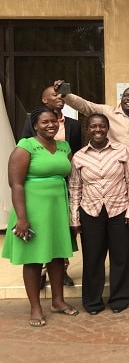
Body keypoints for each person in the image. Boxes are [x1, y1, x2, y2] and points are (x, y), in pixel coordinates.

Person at [2, 107, 78, 327]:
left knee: (57, 257)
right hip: (32, 209)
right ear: (35, 125)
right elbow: (15, 184)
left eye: (54, 121)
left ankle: (58, 301)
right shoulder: (25, 146)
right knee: (34, 259)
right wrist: (22, 219)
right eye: (45, 122)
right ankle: (35, 307)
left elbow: (71, 178)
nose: (51, 125)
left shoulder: (64, 147)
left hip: (57, 207)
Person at [69, 114, 129, 314]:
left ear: (107, 128)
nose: (97, 130)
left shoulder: (122, 151)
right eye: (93, 126)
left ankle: (119, 299)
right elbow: (75, 187)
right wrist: (75, 217)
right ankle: (92, 302)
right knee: (92, 258)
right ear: (87, 129)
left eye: (102, 126)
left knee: (121, 257)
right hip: (90, 212)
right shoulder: (79, 156)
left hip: (120, 210)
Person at [21, 85, 81, 287]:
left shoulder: (71, 129)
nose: (60, 97)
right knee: (37, 245)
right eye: (55, 94)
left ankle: (61, 275)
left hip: (61, 191)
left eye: (53, 122)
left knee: (58, 241)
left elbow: (76, 159)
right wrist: (21, 216)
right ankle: (39, 276)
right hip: (36, 196)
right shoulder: (29, 138)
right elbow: (18, 178)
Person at [54, 80, 129, 155]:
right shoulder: (106, 112)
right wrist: (65, 94)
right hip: (110, 168)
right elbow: (85, 105)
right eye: (125, 95)